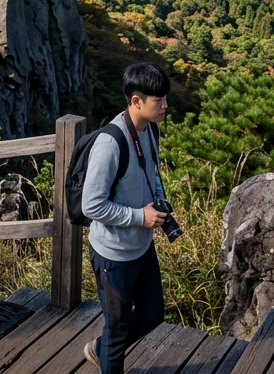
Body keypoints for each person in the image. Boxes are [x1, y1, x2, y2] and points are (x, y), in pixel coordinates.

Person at [81, 62, 171, 374]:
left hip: (141, 245)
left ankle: (100, 348)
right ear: (136, 101)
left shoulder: (150, 130)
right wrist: (138, 216)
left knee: (152, 314)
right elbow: (91, 205)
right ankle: (107, 349)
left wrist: (159, 202)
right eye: (158, 100)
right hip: (112, 255)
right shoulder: (111, 143)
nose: (165, 105)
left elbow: (151, 173)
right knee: (117, 332)